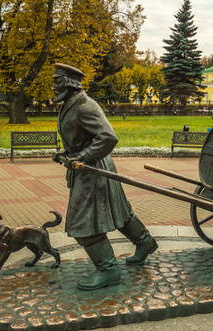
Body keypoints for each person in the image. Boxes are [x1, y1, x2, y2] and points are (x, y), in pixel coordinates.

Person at [51, 63, 158, 291]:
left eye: (57, 81)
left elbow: (108, 137)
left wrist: (83, 156)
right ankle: (145, 242)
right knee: (117, 210)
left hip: (93, 170)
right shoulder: (70, 104)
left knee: (83, 223)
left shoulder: (84, 106)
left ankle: (108, 270)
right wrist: (67, 153)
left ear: (69, 83)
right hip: (90, 167)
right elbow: (82, 137)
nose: (53, 87)